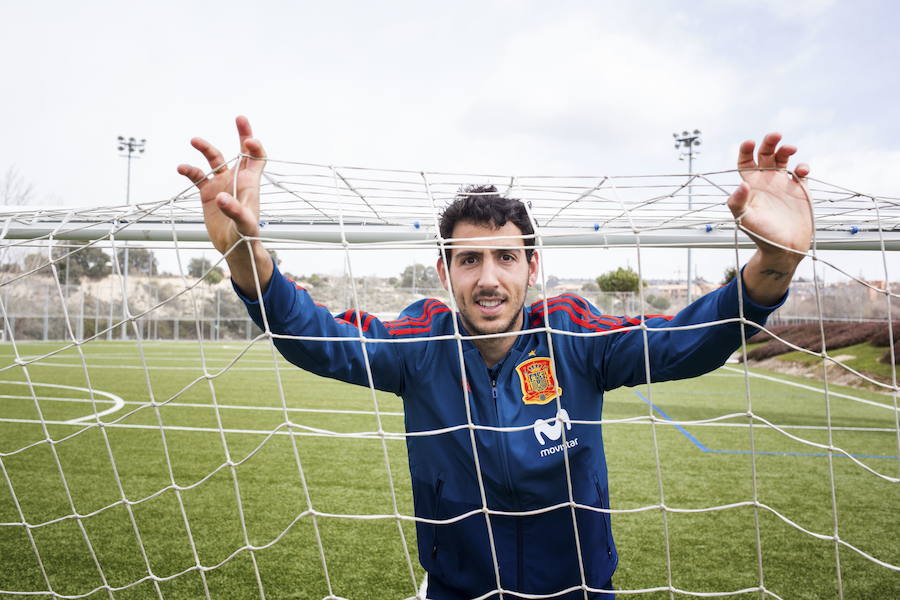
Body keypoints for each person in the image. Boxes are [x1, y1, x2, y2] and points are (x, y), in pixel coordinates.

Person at [177, 117, 812, 600]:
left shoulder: (572, 335)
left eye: (506, 257)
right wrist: (243, 254)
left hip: (579, 589)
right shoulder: (419, 346)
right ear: (444, 270)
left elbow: (681, 342)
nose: (488, 278)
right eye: (470, 259)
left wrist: (774, 265)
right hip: (457, 590)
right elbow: (315, 335)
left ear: (533, 266)